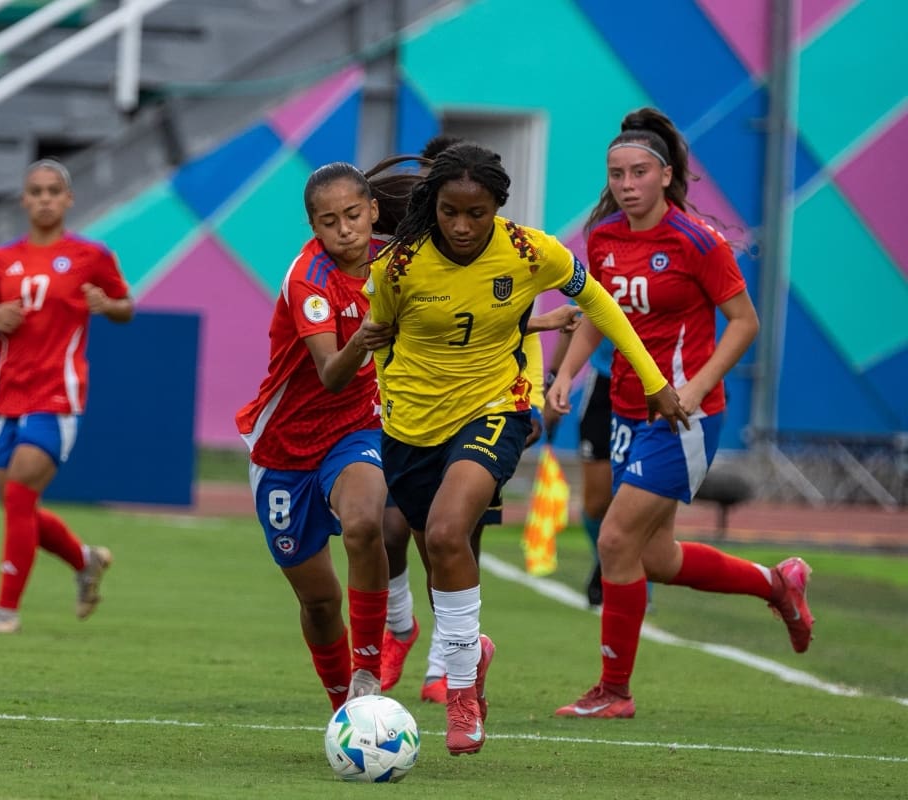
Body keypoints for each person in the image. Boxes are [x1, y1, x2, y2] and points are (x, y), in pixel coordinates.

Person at [364, 141, 684, 755]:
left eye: (476, 213)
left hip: (495, 407)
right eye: (449, 212)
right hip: (410, 426)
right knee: (439, 561)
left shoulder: (534, 251)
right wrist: (388, 410)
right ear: (433, 207)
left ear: (498, 207)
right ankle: (470, 652)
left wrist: (654, 381)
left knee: (447, 533)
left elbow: (601, 306)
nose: (461, 226)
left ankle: (460, 694)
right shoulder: (398, 268)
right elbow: (384, 346)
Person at [547, 108, 813, 719]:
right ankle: (777, 584)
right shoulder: (606, 237)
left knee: (614, 538)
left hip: (681, 418)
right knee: (655, 557)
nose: (626, 183)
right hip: (623, 412)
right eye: (617, 174)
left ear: (665, 175)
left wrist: (695, 390)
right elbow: (598, 315)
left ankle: (614, 691)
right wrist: (564, 374)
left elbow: (745, 324)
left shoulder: (698, 241)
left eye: (639, 172)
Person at [236, 162, 397, 710]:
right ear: (313, 226)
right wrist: (367, 340)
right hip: (282, 448)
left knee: (363, 523)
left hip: (355, 428)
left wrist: (537, 324)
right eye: (329, 221)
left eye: (353, 215)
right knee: (322, 602)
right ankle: (344, 712)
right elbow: (331, 374)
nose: (345, 229)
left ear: (373, 210)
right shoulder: (308, 277)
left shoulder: (398, 264)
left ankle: (369, 672)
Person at [0, 158, 134, 634]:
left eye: (52, 191)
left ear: (67, 199)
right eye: (35, 191)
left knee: (20, 494)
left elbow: (126, 306)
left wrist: (108, 305)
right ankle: (85, 559)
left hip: (57, 395)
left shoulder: (90, 256)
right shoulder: (1, 259)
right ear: (24, 199)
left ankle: (5, 612)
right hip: (7, 398)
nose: (43, 199)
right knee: (18, 506)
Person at [544, 334, 615, 606]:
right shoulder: (596, 288)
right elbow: (574, 328)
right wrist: (554, 382)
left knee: (639, 496)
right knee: (596, 503)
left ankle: (637, 581)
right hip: (605, 386)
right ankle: (606, 562)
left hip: (656, 385)